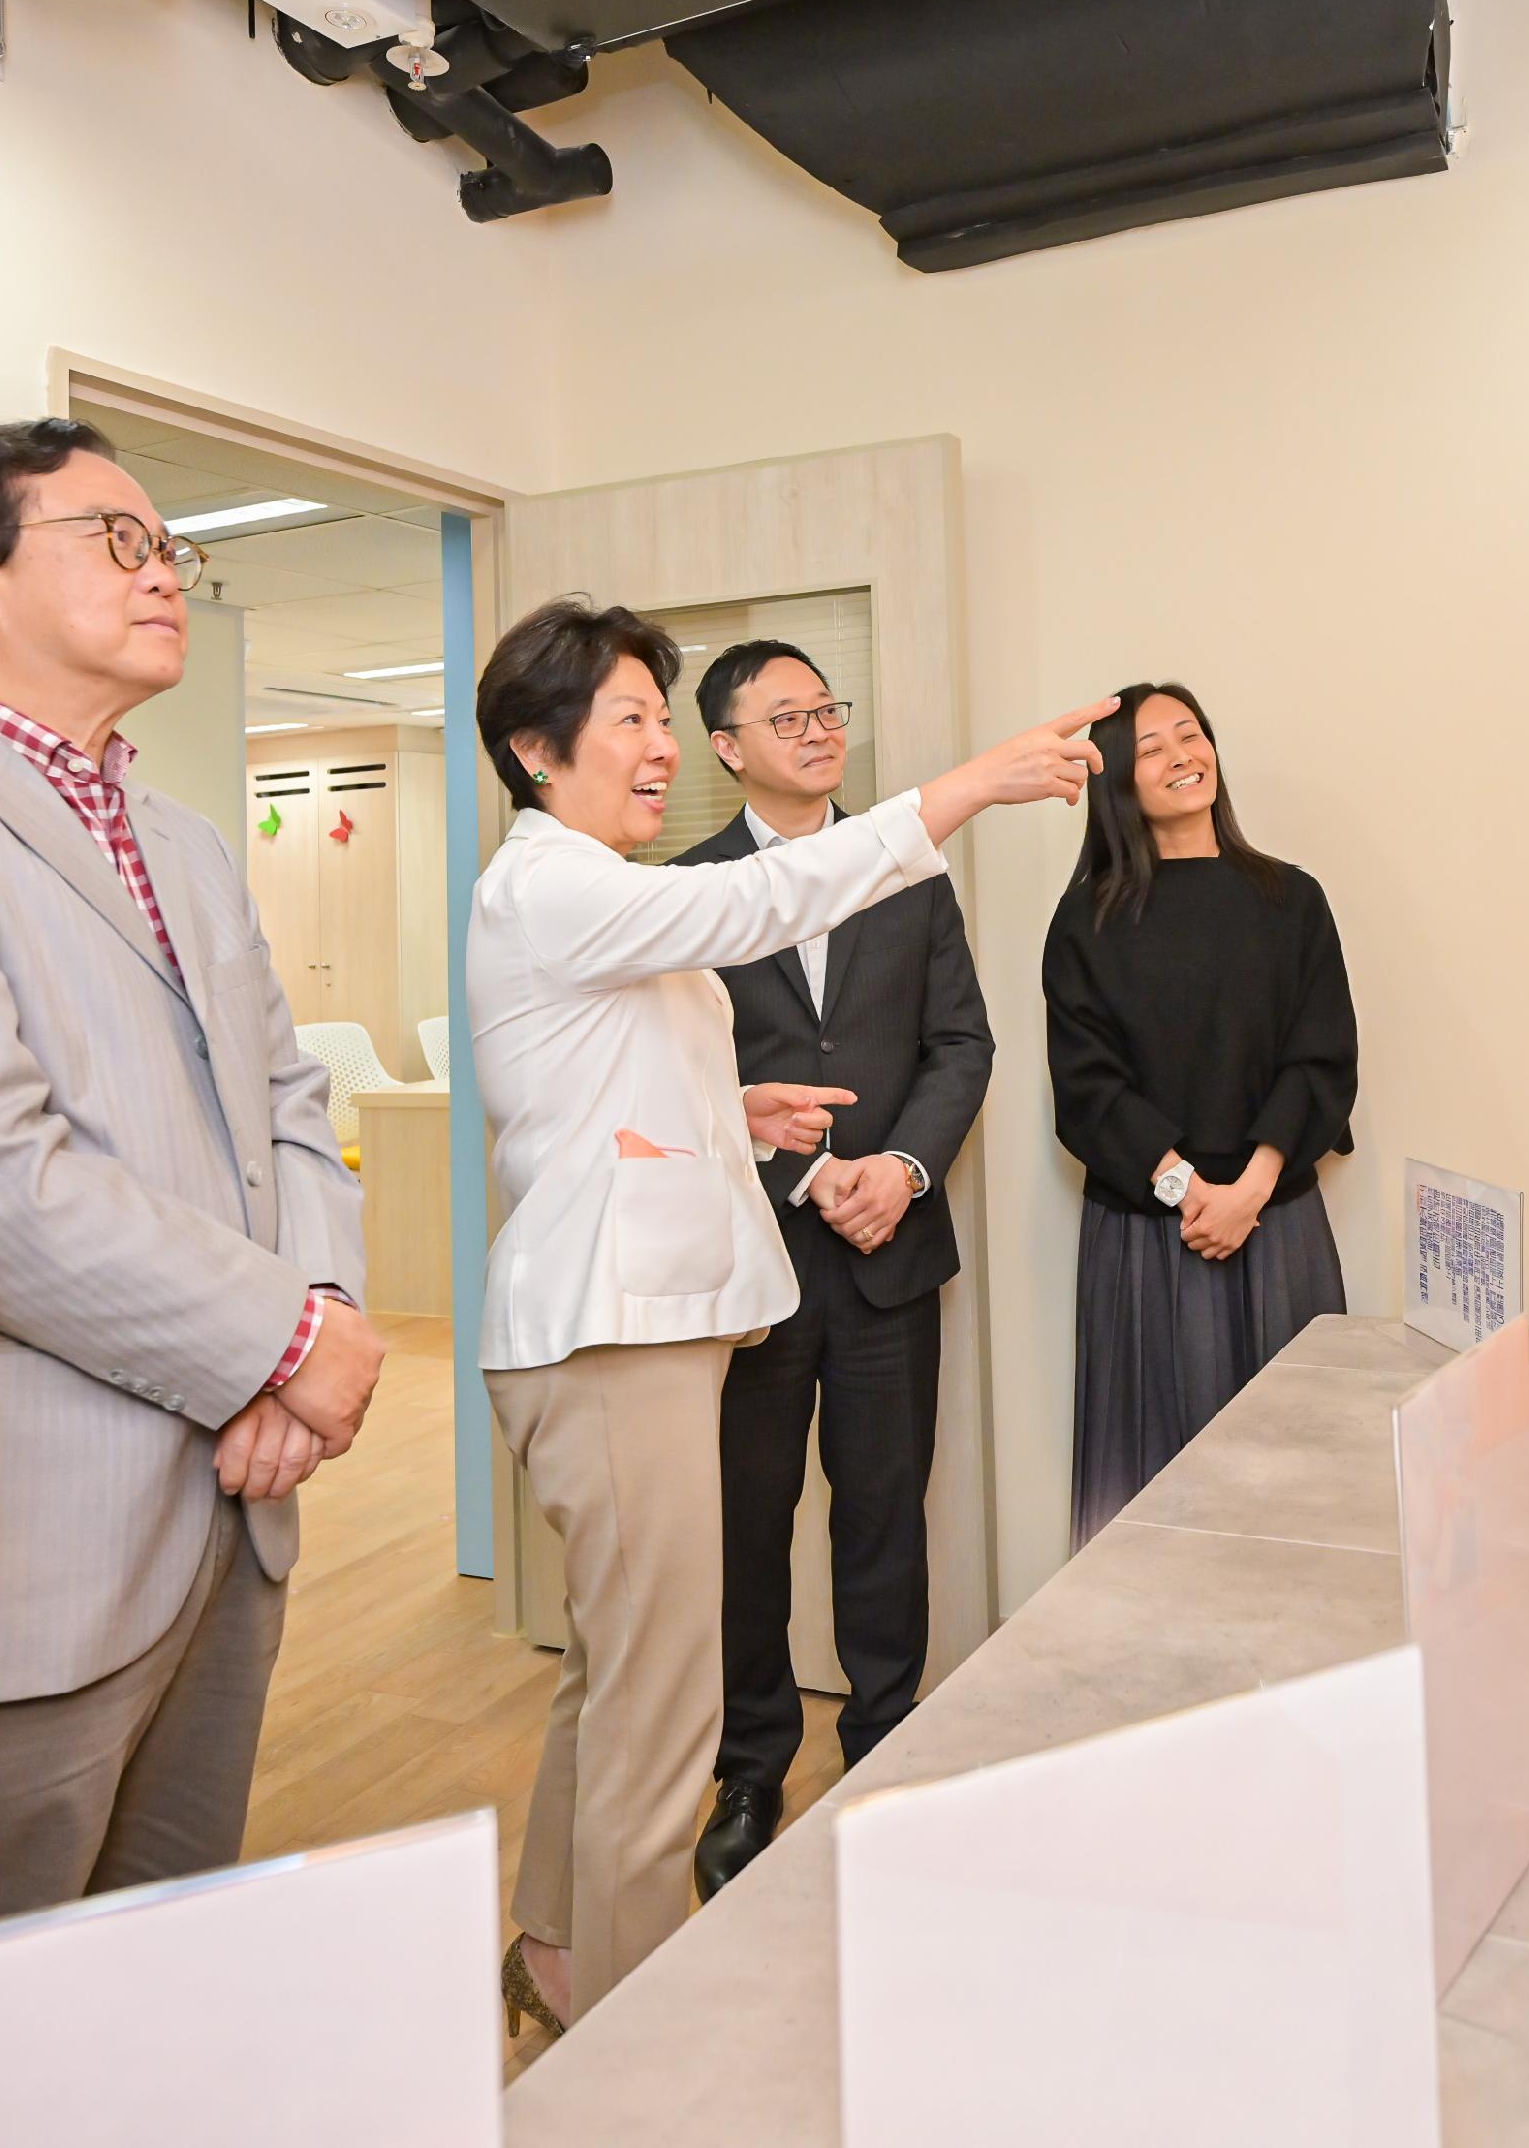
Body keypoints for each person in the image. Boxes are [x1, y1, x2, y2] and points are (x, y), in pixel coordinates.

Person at [0, 420, 378, 1938]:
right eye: (115, 538)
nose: (161, 572)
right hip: (11, 1551)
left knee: (153, 1999)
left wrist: (316, 1316)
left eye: (170, 546)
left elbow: (291, 1104)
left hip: (231, 1511)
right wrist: (286, 1341)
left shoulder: (186, 836)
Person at [466, 598, 1101, 2035]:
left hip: (640, 1326)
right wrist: (966, 787)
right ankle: (633, 2029)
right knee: (661, 1701)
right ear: (534, 745)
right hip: (611, 1336)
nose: (650, 748)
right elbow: (758, 902)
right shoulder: (563, 882)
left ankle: (562, 1951)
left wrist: (727, 1105)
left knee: (617, 1669)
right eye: (626, 718)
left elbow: (596, 1084)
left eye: (650, 715)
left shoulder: (579, 885)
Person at [671, 641, 994, 1900]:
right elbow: (681, 1082)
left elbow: (959, 1043)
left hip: (887, 1261)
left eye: (827, 710)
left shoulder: (905, 870)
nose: (816, 730)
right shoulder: (681, 893)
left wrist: (899, 1171)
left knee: (881, 1516)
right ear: (725, 747)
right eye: (784, 715)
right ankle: (751, 1765)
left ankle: (883, 1750)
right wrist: (805, 1180)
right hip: (751, 1269)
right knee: (747, 1529)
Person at [1045, 681, 1360, 1545]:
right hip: (1150, 1238)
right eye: (1153, 746)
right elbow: (1087, 1088)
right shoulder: (1087, 918)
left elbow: (1321, 1060)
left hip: (1277, 1223)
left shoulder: (1293, 900)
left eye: (1192, 734)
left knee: (1300, 1484)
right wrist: (1188, 1189)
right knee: (1153, 1496)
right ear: (1116, 780)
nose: (1184, 754)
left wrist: (1250, 1187)